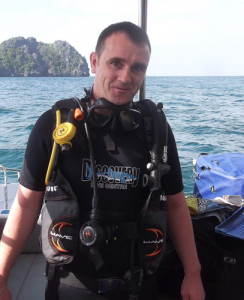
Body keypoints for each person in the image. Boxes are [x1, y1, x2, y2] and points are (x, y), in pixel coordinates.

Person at [0, 21, 205, 300]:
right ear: (94, 61)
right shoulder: (56, 124)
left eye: (137, 67)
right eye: (116, 63)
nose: (125, 76)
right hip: (69, 285)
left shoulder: (155, 130)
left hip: (139, 286)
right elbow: (24, 205)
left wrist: (193, 273)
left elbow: (177, 203)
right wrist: (1, 276)